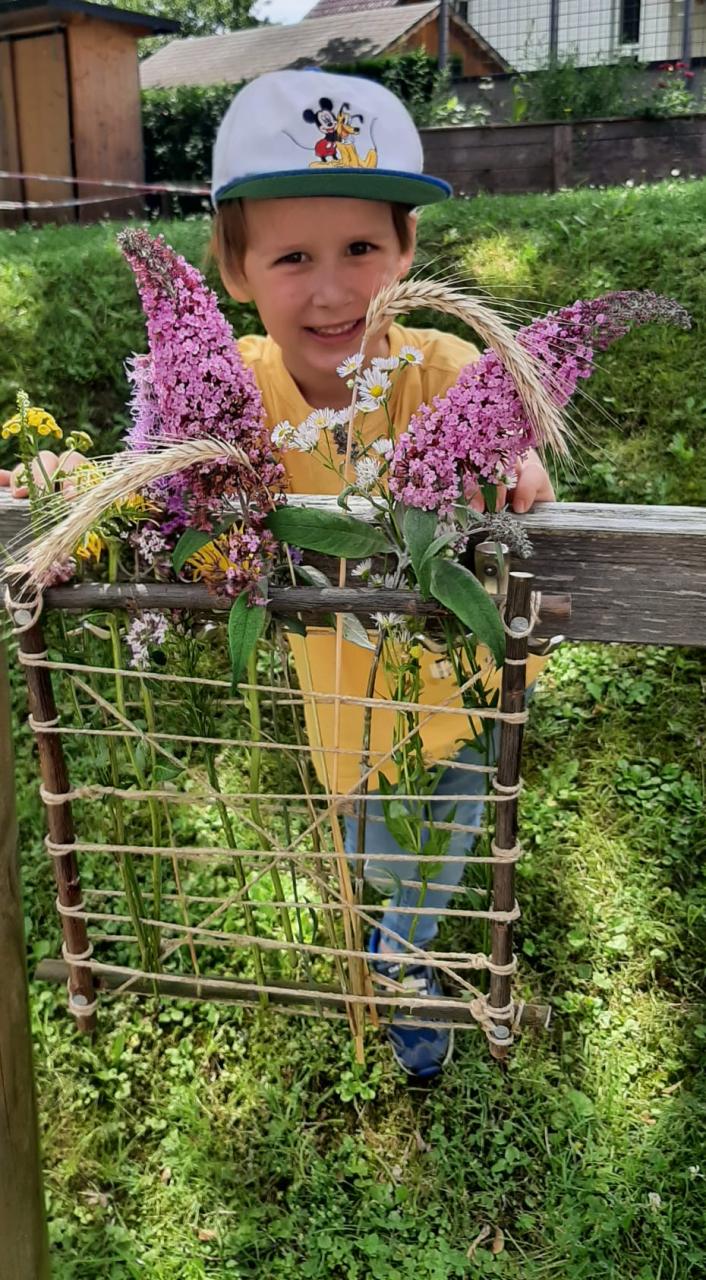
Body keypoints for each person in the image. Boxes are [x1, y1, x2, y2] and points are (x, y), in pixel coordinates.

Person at [0, 69, 554, 1078]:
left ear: (407, 254)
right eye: (293, 256)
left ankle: (410, 989)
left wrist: (515, 459)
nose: (334, 288)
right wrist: (61, 482)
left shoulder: (439, 368)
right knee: (372, 856)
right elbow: (150, 475)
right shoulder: (231, 389)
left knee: (439, 861)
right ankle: (391, 950)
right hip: (338, 706)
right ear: (237, 269)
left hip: (459, 701)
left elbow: (513, 442)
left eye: (361, 249)